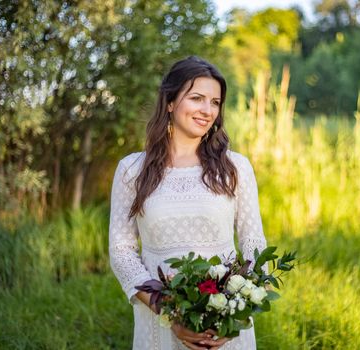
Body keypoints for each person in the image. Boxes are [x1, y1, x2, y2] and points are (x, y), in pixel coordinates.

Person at [108, 56, 267, 350]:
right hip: (159, 316)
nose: (207, 110)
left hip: (225, 321)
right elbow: (122, 252)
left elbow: (253, 241)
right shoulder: (132, 170)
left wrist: (239, 307)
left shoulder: (235, 168)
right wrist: (169, 309)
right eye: (197, 98)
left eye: (215, 102)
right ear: (170, 101)